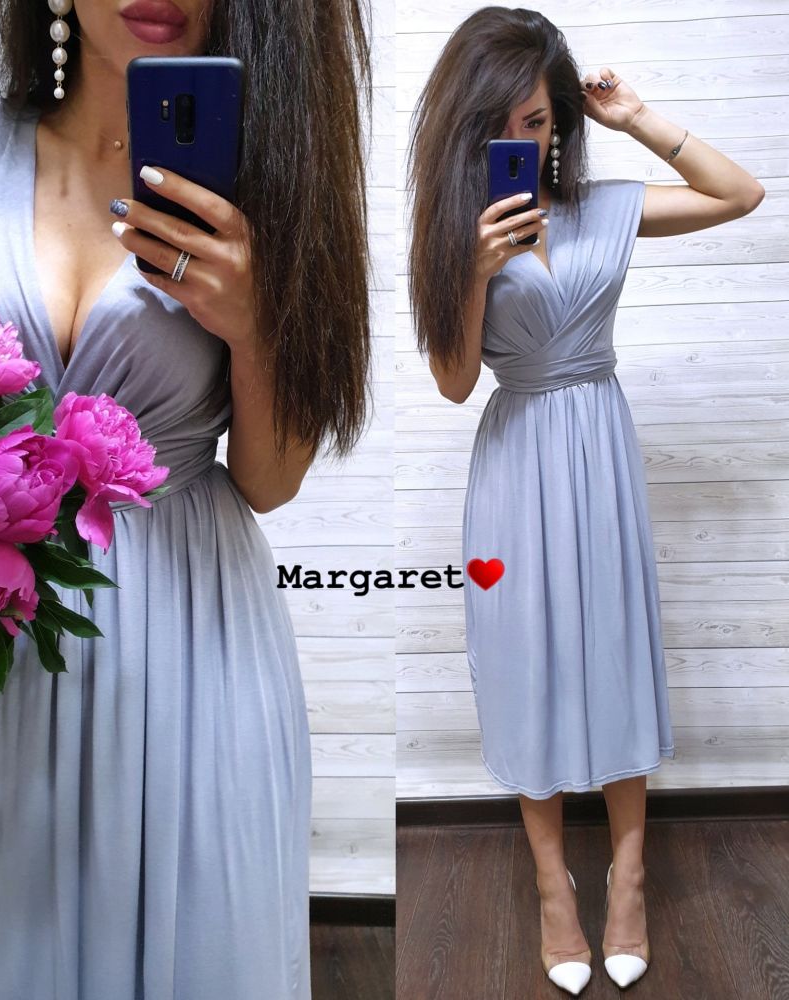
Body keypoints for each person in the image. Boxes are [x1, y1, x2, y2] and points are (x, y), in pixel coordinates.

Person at [0, 1, 374, 996]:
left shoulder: (269, 170)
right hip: (27, 641)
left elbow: (269, 480)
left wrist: (252, 324)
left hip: (198, 632)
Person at [405, 6, 764, 995]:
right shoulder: (451, 234)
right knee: (524, 659)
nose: (521, 140)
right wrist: (473, 271)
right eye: (499, 124)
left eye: (536, 120)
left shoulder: (604, 207)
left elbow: (739, 193)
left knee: (613, 648)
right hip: (516, 460)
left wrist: (636, 117)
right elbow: (452, 385)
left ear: (560, 118)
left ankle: (630, 877)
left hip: (599, 450)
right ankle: (551, 884)